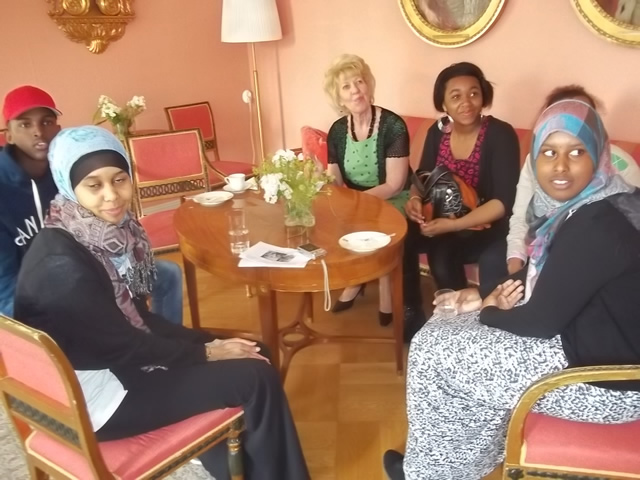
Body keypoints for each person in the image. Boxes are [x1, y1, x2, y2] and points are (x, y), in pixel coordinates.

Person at [13, 126, 309, 480]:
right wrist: (206, 352)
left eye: (119, 179)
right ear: (69, 187)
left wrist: (211, 344)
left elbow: (138, 319)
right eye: (94, 185)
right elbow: (128, 346)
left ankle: (238, 467)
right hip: (95, 401)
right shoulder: (62, 265)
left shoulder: (102, 235)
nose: (112, 196)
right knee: (255, 376)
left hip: (109, 366)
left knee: (254, 349)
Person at [384, 100, 640, 480]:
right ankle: (453, 465)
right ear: (535, 157)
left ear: (597, 154)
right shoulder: (598, 203)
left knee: (430, 350)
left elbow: (539, 322)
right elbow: (559, 275)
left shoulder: (599, 223)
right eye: (549, 152)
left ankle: (427, 473)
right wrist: (481, 296)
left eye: (576, 152)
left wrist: (488, 308)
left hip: (604, 383)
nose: (560, 166)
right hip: (588, 343)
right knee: (444, 329)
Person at [0, 85, 183, 324]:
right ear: (8, 134)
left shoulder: (69, 173)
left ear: (58, 129)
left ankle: (157, 334)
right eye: (25, 124)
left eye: (46, 122)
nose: (38, 132)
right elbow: (5, 287)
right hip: (26, 295)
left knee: (167, 274)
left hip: (88, 268)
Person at [403, 62, 520, 340]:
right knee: (402, 237)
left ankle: (462, 329)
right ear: (443, 103)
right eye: (455, 96)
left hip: (487, 224)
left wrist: (453, 225)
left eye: (473, 93)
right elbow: (422, 177)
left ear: (483, 96)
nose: (466, 102)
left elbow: (503, 203)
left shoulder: (500, 134)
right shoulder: (438, 132)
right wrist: (415, 200)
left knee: (442, 254)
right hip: (442, 216)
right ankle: (411, 309)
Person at [506, 84, 640, 274]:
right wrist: (515, 262)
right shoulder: (535, 161)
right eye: (560, 114)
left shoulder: (621, 166)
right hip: (539, 250)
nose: (561, 166)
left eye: (582, 114)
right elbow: (520, 217)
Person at [324, 54, 411, 326]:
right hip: (357, 198)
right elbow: (334, 179)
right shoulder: (337, 131)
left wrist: (355, 202)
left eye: (359, 81)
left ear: (369, 85)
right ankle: (356, 279)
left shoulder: (393, 126)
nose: (355, 90)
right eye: (346, 86)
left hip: (394, 197)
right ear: (339, 98)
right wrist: (322, 180)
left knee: (379, 224)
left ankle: (384, 286)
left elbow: (395, 184)